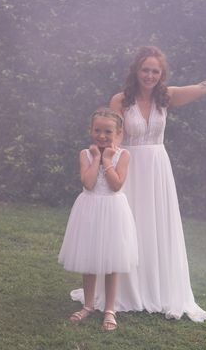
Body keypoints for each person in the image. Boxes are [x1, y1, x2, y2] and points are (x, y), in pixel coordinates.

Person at [72, 46, 206, 321]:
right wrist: (107, 163)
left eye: (155, 71)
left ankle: (156, 287)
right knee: (126, 227)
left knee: (155, 225)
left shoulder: (166, 97)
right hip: (129, 167)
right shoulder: (120, 100)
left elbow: (204, 88)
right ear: (136, 70)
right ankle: (121, 293)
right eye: (145, 69)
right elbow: (113, 136)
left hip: (157, 169)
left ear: (161, 74)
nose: (149, 75)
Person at [58, 107, 137, 331]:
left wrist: (108, 159)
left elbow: (116, 185)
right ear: (90, 130)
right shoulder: (85, 154)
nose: (102, 136)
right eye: (97, 130)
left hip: (113, 210)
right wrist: (96, 159)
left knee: (113, 262)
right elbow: (89, 183)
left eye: (108, 132)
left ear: (118, 133)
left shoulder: (124, 155)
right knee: (89, 258)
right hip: (90, 208)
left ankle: (110, 309)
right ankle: (89, 304)